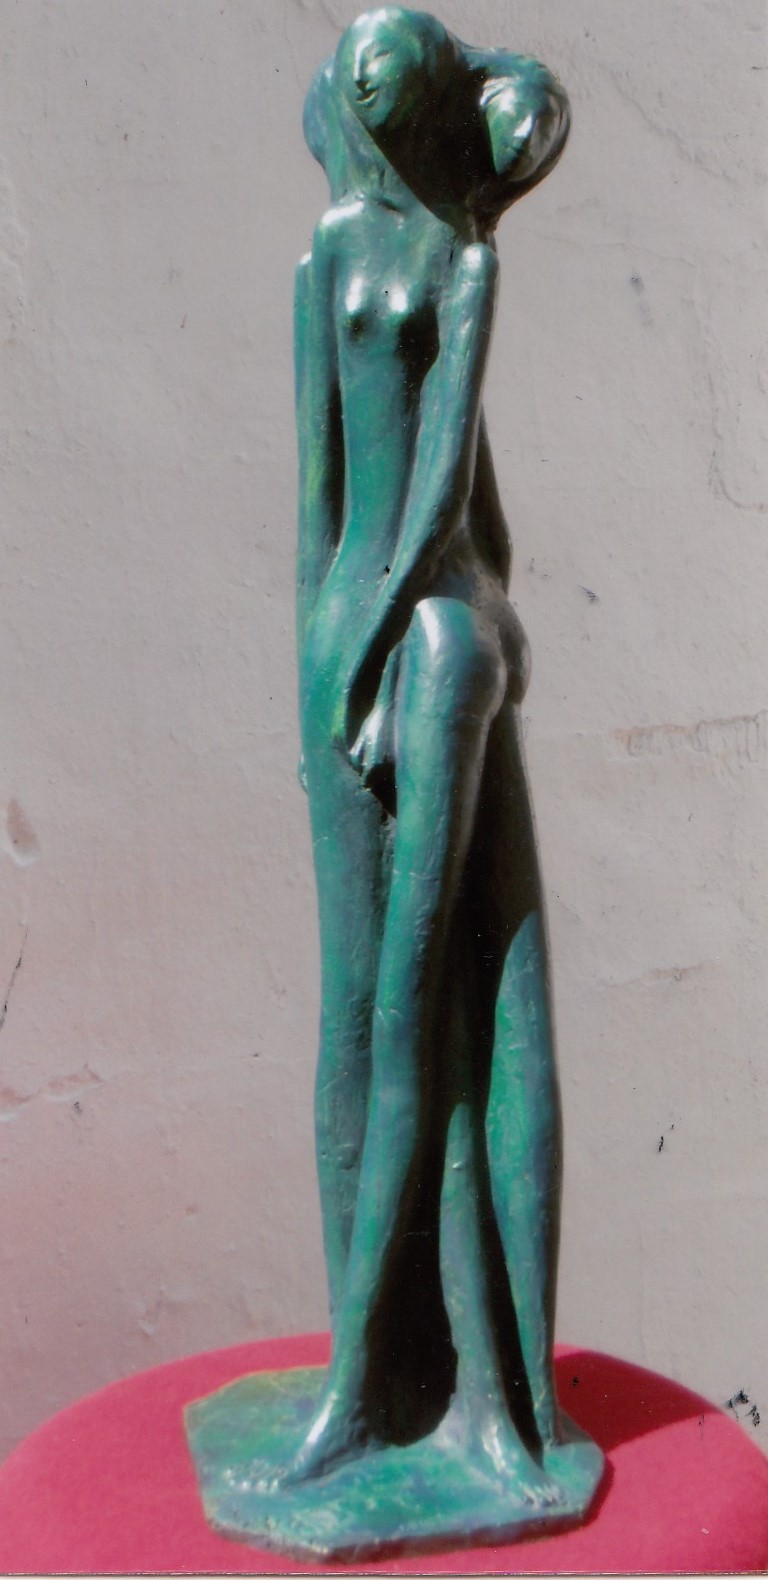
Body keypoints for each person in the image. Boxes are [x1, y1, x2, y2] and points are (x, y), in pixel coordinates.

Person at [289, 7, 582, 1504]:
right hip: (352, 640)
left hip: (426, 643)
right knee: (360, 1012)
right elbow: (318, 498)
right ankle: (393, 1379)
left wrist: (433, 630)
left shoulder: (467, 262)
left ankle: (462, 1391)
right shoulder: (328, 255)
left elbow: (447, 486)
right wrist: (320, 668)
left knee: (439, 1015)